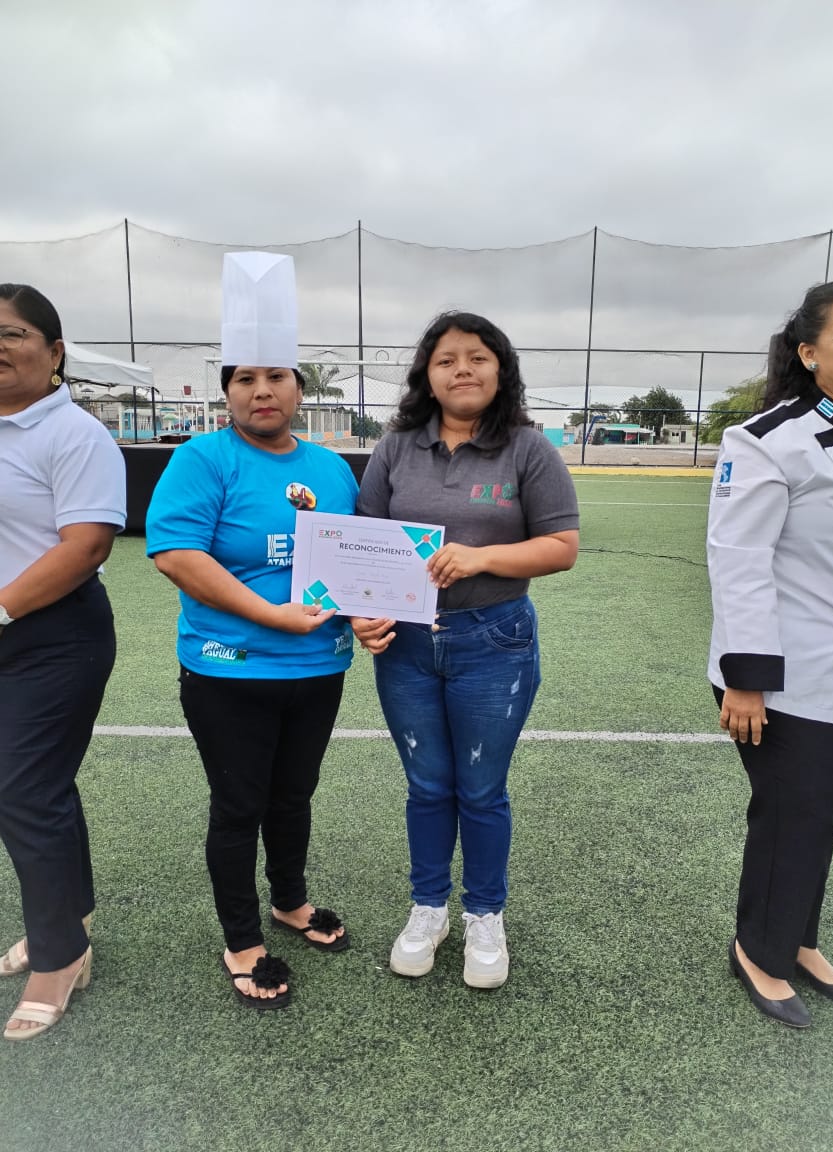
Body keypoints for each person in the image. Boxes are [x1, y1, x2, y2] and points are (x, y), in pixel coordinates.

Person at [146, 253, 355, 1010]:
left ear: (300, 387)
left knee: (294, 795)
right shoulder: (203, 458)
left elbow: (356, 561)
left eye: (275, 376)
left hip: (318, 668)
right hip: (228, 668)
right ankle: (241, 937)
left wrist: (367, 612)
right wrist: (271, 615)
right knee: (239, 806)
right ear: (227, 390)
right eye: (244, 378)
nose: (261, 390)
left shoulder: (332, 468)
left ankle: (289, 901)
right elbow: (176, 554)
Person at [352, 311, 579, 989]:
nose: (463, 370)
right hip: (406, 644)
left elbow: (561, 547)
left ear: (500, 370)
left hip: (495, 641)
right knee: (427, 785)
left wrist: (480, 557)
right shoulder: (396, 448)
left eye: (478, 357)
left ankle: (484, 914)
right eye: (447, 359)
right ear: (427, 375)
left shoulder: (528, 449)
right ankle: (429, 908)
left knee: (481, 789)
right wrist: (363, 611)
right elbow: (364, 541)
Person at [708, 279, 833, 1029]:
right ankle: (759, 953)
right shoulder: (766, 440)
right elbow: (739, 561)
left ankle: (799, 941)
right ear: (810, 353)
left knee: (825, 817)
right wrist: (746, 679)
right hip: (784, 678)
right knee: (792, 816)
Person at [0, 284, 126, 1040]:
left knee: (20, 790)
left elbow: (87, 546)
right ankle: (69, 919)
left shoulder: (74, 434)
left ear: (54, 353)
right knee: (38, 786)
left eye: (12, 333)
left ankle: (59, 956)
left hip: (54, 636)